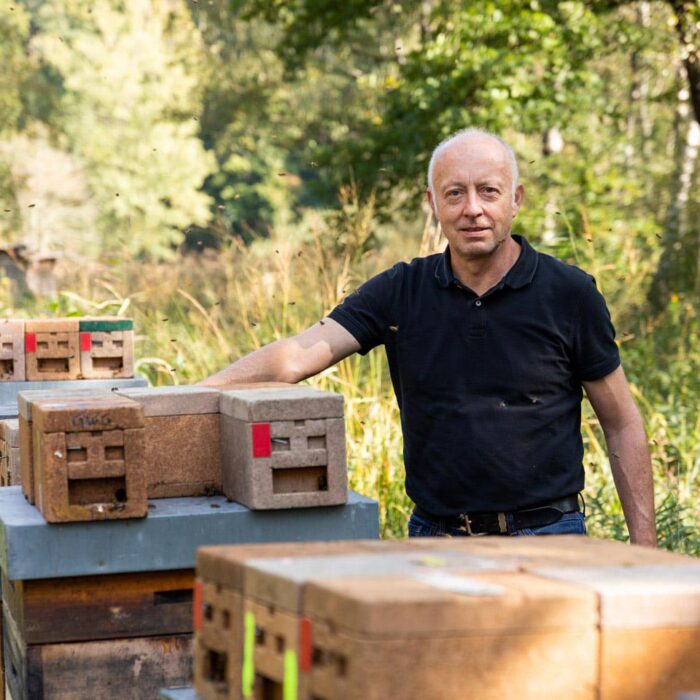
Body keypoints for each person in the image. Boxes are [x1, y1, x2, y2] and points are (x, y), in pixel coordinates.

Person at [201, 128, 657, 546]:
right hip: (436, 537)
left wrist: (645, 550)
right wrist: (194, 394)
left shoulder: (569, 293)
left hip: (550, 535)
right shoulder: (401, 290)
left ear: (515, 200)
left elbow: (621, 423)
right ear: (432, 203)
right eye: (454, 193)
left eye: (488, 192)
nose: (472, 208)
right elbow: (296, 357)